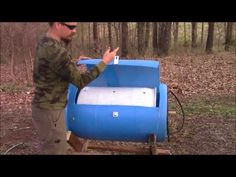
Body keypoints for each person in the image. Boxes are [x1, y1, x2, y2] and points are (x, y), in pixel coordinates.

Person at [32, 22, 119, 154]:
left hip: (43, 108)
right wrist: (104, 62)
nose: (74, 31)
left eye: (75, 27)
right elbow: (80, 81)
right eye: (71, 27)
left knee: (49, 147)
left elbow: (55, 67)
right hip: (51, 112)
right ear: (57, 24)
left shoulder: (45, 42)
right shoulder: (57, 52)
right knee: (56, 150)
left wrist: (73, 63)